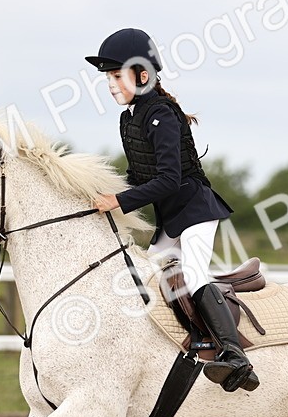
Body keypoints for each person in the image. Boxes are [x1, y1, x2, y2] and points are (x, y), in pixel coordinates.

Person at [86, 27, 259, 392]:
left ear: (142, 75)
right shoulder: (129, 118)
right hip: (171, 218)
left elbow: (168, 180)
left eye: (116, 75)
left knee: (194, 277)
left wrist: (118, 201)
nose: (111, 84)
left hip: (195, 210)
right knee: (147, 279)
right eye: (107, 78)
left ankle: (235, 357)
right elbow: (138, 176)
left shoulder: (162, 114)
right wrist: (102, 194)